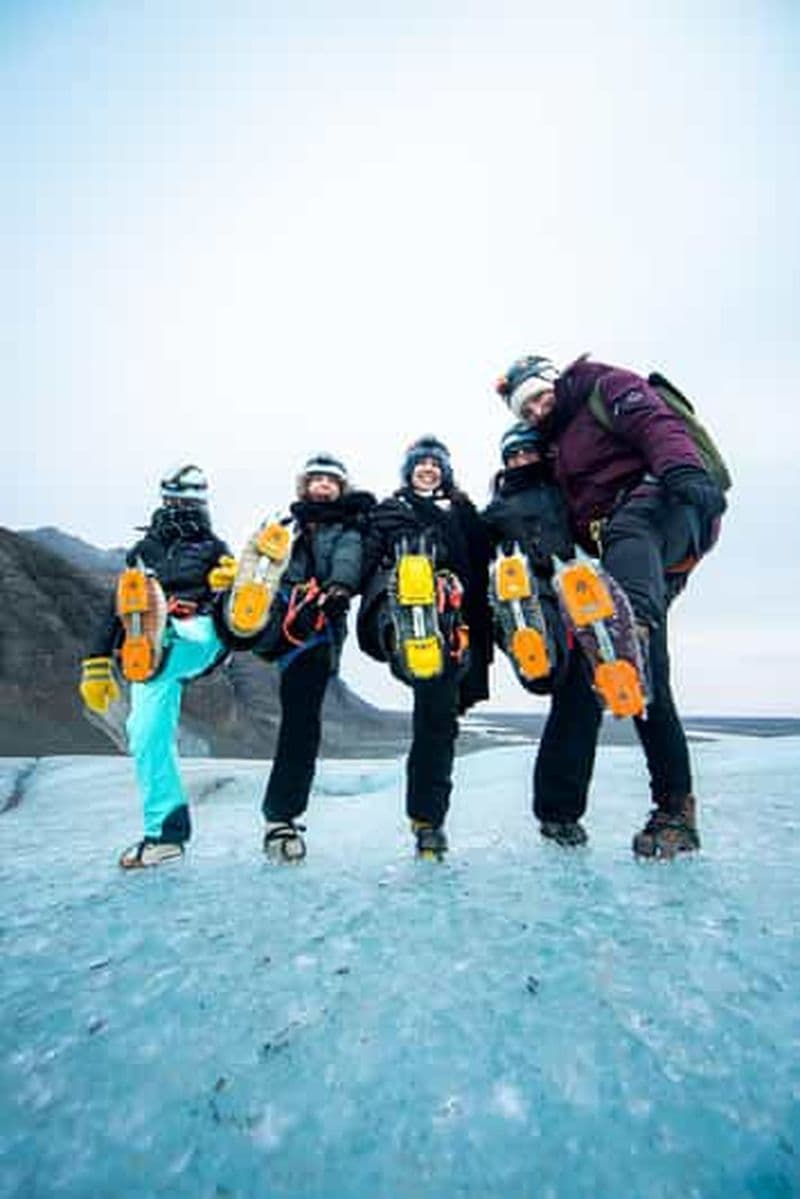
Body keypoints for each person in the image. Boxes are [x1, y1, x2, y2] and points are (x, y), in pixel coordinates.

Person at [495, 354, 727, 857]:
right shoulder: (555, 448)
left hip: (663, 506)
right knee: (625, 676)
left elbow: (655, 423)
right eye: (524, 409)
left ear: (553, 380)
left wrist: (685, 471)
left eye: (537, 396)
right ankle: (592, 814)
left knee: (626, 598)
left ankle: (633, 625)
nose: (535, 409)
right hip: (618, 563)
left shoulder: (604, 387)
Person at [78, 465, 233, 868]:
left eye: (193, 501)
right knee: (144, 735)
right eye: (180, 499)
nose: (186, 507)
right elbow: (117, 610)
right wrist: (97, 660)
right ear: (165, 499)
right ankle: (166, 834)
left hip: (200, 634)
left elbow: (230, 610)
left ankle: (167, 628)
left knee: (192, 628)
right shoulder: (143, 552)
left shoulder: (215, 548)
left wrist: (223, 589)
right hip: (149, 652)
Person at [358, 436, 491, 858]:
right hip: (397, 605)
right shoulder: (388, 512)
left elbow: (483, 562)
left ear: (445, 471)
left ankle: (428, 822)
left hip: (455, 620)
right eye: (421, 464)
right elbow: (364, 560)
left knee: (437, 722)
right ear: (409, 471)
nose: (428, 469)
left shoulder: (466, 515)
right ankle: (409, 623)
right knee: (433, 709)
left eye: (435, 464)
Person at [255, 453, 375, 863]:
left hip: (317, 630)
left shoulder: (349, 528)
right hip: (278, 622)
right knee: (297, 719)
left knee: (301, 723)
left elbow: (348, 559)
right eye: (316, 479)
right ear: (304, 486)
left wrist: (340, 588)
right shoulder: (285, 525)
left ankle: (281, 817)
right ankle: (280, 815)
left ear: (342, 488)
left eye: (331, 481)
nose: (323, 486)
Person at [482, 421, 594, 847]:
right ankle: (530, 649)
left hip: (582, 596)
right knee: (549, 670)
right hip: (531, 593)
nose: (520, 461)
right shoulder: (495, 510)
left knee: (581, 706)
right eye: (512, 457)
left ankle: (560, 814)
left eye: (527, 453)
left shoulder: (569, 491)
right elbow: (475, 549)